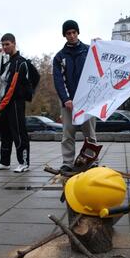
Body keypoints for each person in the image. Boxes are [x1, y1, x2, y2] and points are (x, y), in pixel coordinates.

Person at [53, 20, 96, 173]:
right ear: (64, 35)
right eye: (68, 33)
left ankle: (91, 160)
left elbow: (98, 70)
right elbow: (58, 80)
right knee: (67, 134)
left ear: (78, 33)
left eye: (74, 32)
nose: (71, 36)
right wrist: (66, 99)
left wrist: (101, 47)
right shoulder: (59, 57)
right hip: (68, 102)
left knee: (89, 134)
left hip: (87, 101)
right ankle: (67, 162)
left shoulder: (89, 51)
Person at [0, 33, 31, 173]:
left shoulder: (21, 62)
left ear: (14, 43)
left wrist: (1, 105)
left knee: (18, 133)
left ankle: (24, 162)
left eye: (7, 44)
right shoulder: (7, 63)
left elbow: (12, 87)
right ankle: (4, 161)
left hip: (15, 103)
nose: (5, 47)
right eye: (3, 44)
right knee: (5, 133)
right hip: (4, 103)